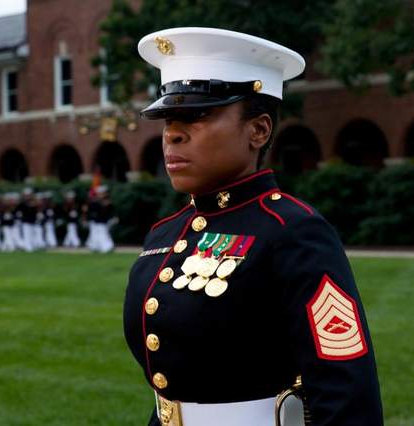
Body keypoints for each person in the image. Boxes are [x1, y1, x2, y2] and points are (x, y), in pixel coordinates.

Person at [123, 28, 383, 426]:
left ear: (258, 130)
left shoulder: (293, 231)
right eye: (168, 119)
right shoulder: (166, 233)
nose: (173, 134)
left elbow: (346, 390)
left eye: (196, 116)